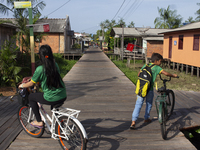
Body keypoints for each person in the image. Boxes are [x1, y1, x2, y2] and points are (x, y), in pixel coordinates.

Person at [18, 45, 67, 128]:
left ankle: (39, 121)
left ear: (40, 56)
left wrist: (22, 85)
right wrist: (33, 79)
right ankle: (60, 126)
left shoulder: (40, 69)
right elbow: (46, 77)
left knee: (31, 97)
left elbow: (31, 84)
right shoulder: (55, 65)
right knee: (54, 107)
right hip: (63, 94)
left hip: (51, 97)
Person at [130, 53, 177, 129]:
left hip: (142, 89)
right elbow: (165, 73)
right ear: (156, 61)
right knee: (149, 104)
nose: (160, 63)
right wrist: (173, 75)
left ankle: (133, 121)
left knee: (138, 105)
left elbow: (139, 74)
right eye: (160, 61)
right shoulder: (157, 68)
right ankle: (146, 118)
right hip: (150, 89)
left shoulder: (146, 65)